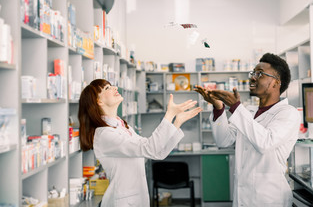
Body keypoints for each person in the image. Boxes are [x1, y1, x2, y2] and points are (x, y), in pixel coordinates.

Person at [195, 53, 300, 207]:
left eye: (259, 74)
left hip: (269, 198)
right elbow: (224, 140)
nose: (252, 78)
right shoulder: (250, 111)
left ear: (276, 83)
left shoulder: (288, 113)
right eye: (253, 73)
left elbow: (265, 142)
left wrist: (236, 107)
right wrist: (219, 108)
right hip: (243, 197)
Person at [78, 79, 202, 207]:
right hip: (122, 202)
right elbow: (151, 148)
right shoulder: (105, 135)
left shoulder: (123, 127)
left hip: (137, 198)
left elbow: (158, 153)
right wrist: (169, 115)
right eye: (107, 88)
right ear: (99, 101)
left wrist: (177, 122)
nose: (115, 88)